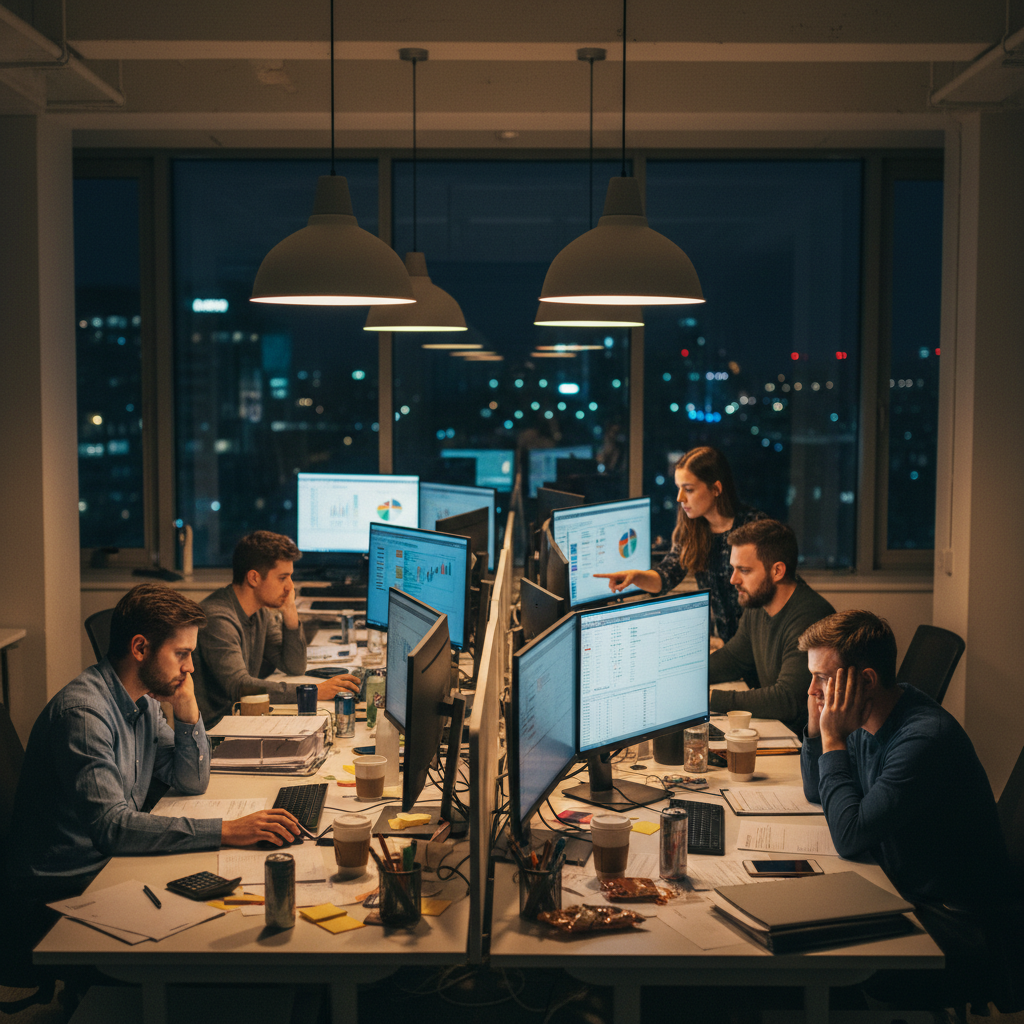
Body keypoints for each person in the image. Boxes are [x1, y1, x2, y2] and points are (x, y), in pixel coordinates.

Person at [7, 584, 305, 911]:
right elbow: (113, 828)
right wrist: (228, 830)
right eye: (181, 654)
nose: (190, 667)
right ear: (140, 648)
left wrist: (188, 710)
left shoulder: (144, 703)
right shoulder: (84, 716)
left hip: (113, 867)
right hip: (67, 889)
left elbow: (191, 781)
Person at [798, 610, 1017, 1009]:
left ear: (865, 680)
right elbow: (817, 791)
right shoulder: (869, 716)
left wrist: (832, 738)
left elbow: (848, 836)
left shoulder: (922, 741)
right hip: (900, 883)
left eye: (824, 678)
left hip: (953, 922)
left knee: (805, 952)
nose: (812, 689)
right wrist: (816, 726)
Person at [595, 446, 766, 646]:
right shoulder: (692, 528)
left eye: (689, 489)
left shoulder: (755, 527)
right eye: (678, 488)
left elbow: (770, 602)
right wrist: (636, 577)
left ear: (716, 489)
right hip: (725, 647)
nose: (680, 498)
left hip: (758, 648)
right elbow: (667, 575)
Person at [192, 530, 359, 726]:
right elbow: (239, 686)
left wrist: (289, 611)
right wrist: (314, 690)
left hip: (242, 719)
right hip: (214, 732)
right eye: (282, 578)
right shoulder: (218, 618)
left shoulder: (259, 612)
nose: (290, 587)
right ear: (254, 578)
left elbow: (293, 665)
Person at [706, 519, 834, 732]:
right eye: (733, 569)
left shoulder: (810, 617)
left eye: (744, 570)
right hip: (778, 729)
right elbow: (732, 659)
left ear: (777, 571)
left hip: (805, 744)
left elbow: (787, 699)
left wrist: (709, 699)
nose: (733, 580)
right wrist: (685, 677)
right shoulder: (758, 606)